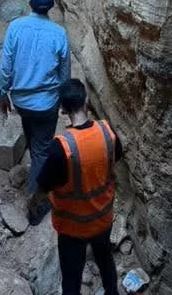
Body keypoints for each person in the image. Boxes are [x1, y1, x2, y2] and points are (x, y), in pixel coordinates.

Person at [29, 78, 123, 295]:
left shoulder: (61, 148)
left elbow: (43, 187)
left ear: (63, 109)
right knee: (106, 262)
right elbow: (115, 157)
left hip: (73, 228)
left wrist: (33, 203)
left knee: (71, 281)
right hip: (102, 218)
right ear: (86, 101)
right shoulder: (106, 132)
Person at [0, 0, 71, 204]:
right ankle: (36, 200)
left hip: (21, 101)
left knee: (32, 135)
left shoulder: (15, 27)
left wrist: (2, 93)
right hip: (47, 103)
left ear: (30, 3)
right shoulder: (59, 33)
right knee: (42, 148)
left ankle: (35, 185)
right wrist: (64, 102)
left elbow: (6, 65)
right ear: (51, 6)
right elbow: (64, 73)